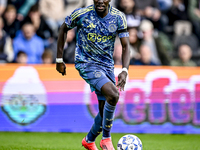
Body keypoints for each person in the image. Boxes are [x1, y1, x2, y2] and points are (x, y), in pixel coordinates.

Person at [56, 0, 130, 149]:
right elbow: (63, 28)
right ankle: (106, 139)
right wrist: (59, 59)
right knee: (114, 95)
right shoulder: (82, 14)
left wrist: (124, 70)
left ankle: (89, 141)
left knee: (105, 112)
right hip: (86, 63)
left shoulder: (118, 17)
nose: (100, 1)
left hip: (107, 66)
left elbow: (126, 45)